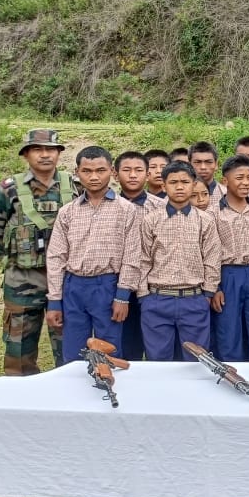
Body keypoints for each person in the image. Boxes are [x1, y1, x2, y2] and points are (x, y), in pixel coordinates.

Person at [0, 129, 78, 375]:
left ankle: (70, 394)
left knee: (69, 344)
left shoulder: (75, 185)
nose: (45, 155)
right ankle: (21, 395)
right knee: (18, 347)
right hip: (23, 280)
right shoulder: (8, 189)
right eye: (38, 149)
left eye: (51, 150)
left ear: (59, 154)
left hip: (67, 278)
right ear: (26, 154)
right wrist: (9, 262)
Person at [45, 146, 140, 365]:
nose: (94, 176)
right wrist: (55, 301)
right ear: (77, 172)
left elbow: (132, 256)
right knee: (73, 352)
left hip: (107, 286)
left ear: (112, 172)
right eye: (87, 171)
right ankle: (75, 395)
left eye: (100, 170)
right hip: (74, 287)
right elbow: (56, 257)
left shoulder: (126, 210)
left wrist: (122, 296)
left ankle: (109, 392)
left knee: (109, 348)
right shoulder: (68, 211)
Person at [137, 160, 222, 361]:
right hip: (157, 299)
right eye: (173, 182)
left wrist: (208, 293)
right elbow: (142, 259)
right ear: (164, 186)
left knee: (197, 359)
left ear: (193, 185)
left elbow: (212, 257)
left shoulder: (205, 220)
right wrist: (143, 296)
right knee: (158, 358)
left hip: (194, 299)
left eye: (185, 181)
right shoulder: (151, 219)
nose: (180, 186)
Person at [212, 156, 249, 361]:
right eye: (240, 177)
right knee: (229, 330)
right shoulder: (213, 213)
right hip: (228, 274)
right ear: (225, 181)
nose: (246, 182)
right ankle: (232, 375)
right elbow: (209, 252)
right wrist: (216, 287)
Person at [113, 151, 156, 360]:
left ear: (147, 175)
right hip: (118, 283)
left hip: (153, 284)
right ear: (115, 174)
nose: (132, 175)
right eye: (126, 170)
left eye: (138, 170)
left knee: (156, 341)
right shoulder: (109, 207)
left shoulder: (162, 207)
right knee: (124, 340)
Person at [188, 142, 225, 208]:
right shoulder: (179, 195)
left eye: (208, 162)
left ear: (216, 165)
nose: (203, 167)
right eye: (197, 162)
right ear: (188, 165)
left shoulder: (226, 195)